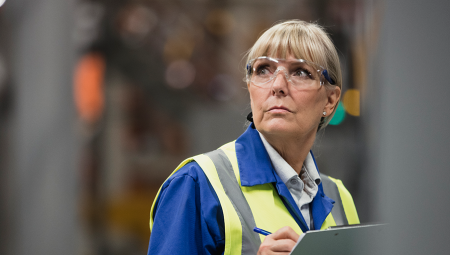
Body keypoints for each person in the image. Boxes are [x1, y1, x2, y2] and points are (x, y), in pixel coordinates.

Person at [147, 20, 359, 255]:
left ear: (330, 101)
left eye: (300, 72)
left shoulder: (340, 198)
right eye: (263, 70)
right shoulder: (197, 184)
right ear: (250, 88)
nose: (277, 85)